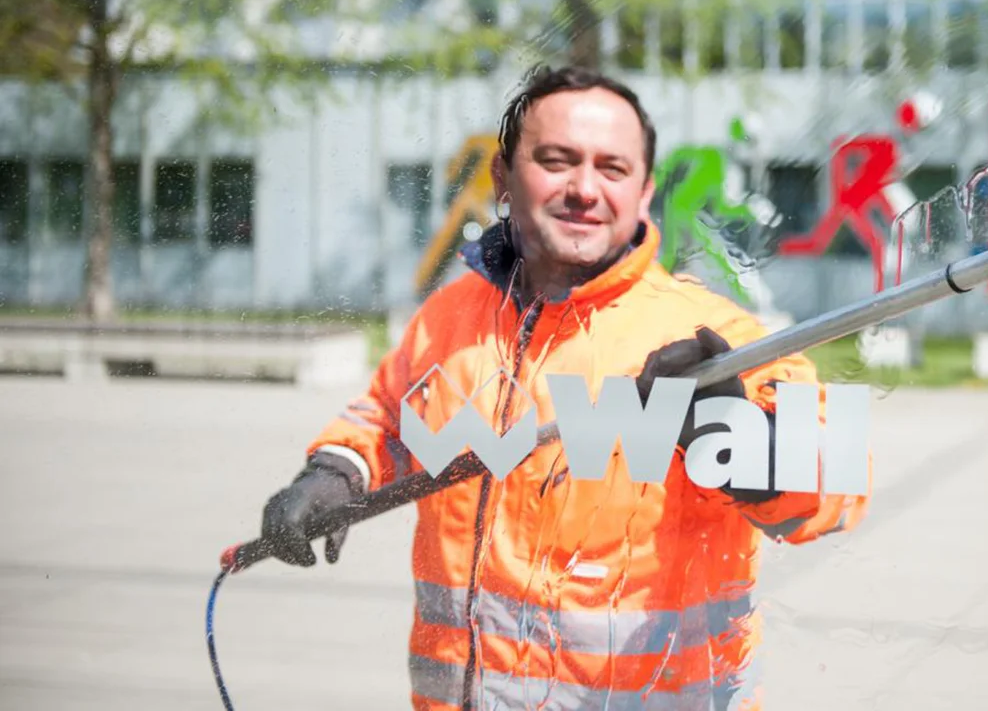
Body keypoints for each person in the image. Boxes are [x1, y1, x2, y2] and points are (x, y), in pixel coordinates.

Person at [257, 64, 870, 711]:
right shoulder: (449, 318)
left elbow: (838, 484)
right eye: (556, 160)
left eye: (613, 168)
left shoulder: (714, 338)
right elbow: (387, 415)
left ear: (644, 191)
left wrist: (748, 446)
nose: (584, 189)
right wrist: (336, 472)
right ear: (502, 177)